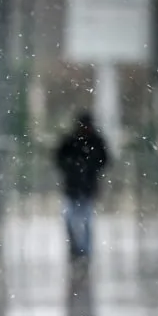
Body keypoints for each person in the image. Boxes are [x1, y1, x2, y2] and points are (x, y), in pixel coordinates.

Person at [53, 111, 110, 261]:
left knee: (85, 220)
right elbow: (59, 158)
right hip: (74, 187)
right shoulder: (73, 141)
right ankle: (77, 248)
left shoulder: (94, 141)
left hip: (85, 188)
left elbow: (103, 160)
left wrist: (87, 169)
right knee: (72, 219)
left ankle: (84, 250)